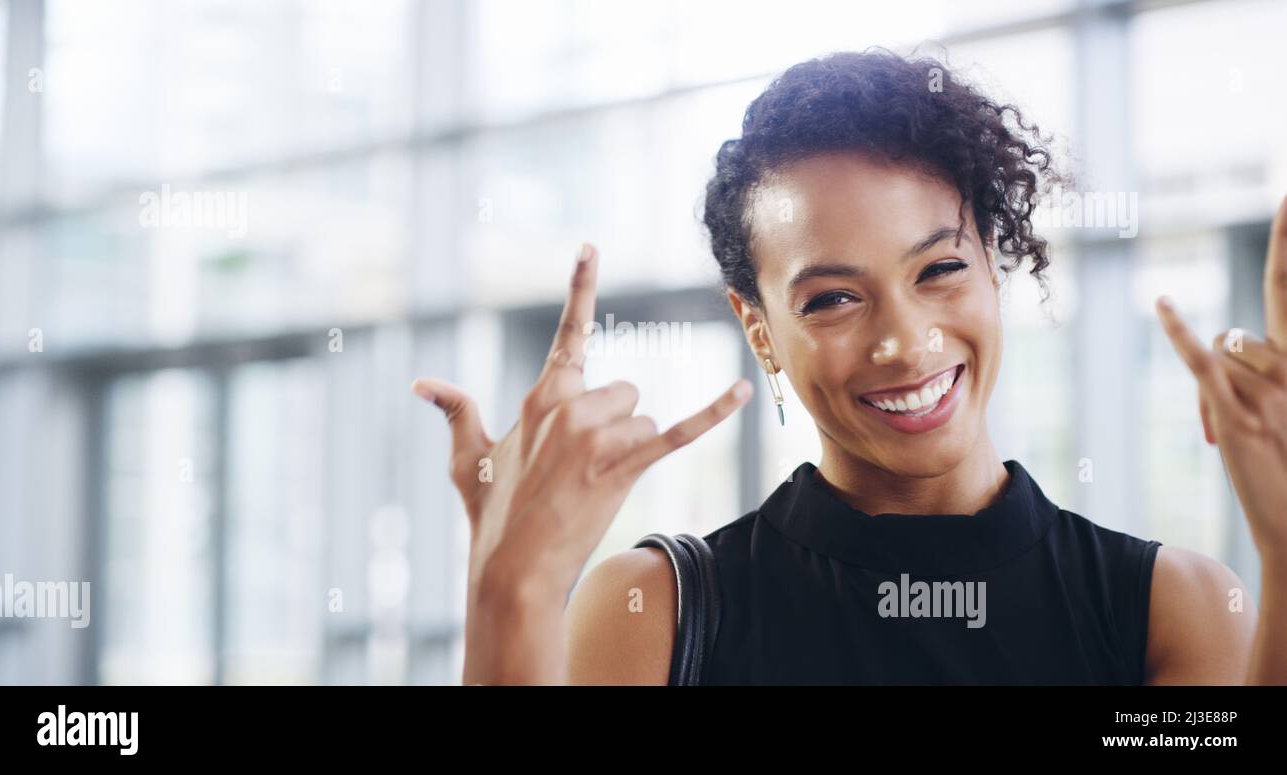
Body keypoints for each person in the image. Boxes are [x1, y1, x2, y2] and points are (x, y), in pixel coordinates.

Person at [411, 49, 1287, 685]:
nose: (904, 343)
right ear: (757, 328)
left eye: (939, 269)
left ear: (995, 261)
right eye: (833, 298)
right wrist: (511, 591)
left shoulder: (1169, 610)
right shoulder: (660, 614)